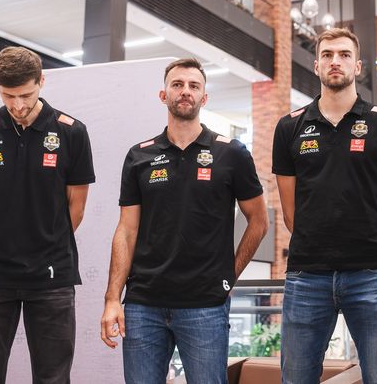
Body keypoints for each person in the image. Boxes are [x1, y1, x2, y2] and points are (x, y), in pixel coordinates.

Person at [101, 58, 268, 384]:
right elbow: (126, 230)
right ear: (163, 95)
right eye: (177, 85)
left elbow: (259, 221)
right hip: (143, 305)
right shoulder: (139, 156)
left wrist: (229, 277)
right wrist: (112, 299)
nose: (185, 91)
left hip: (205, 305)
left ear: (204, 97)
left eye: (194, 86)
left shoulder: (231, 153)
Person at [272, 28, 377, 384]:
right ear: (316, 65)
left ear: (358, 66)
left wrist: (374, 252)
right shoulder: (289, 128)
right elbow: (290, 213)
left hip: (371, 277)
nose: (335, 61)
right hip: (306, 277)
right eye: (328, 55)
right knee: (296, 378)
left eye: (344, 55)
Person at [0, 46, 95, 384]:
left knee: (53, 377)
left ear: (41, 82)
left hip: (52, 276)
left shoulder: (71, 132)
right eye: (8, 96)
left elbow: (76, 207)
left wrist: (45, 245)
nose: (18, 105)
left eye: (25, 94)